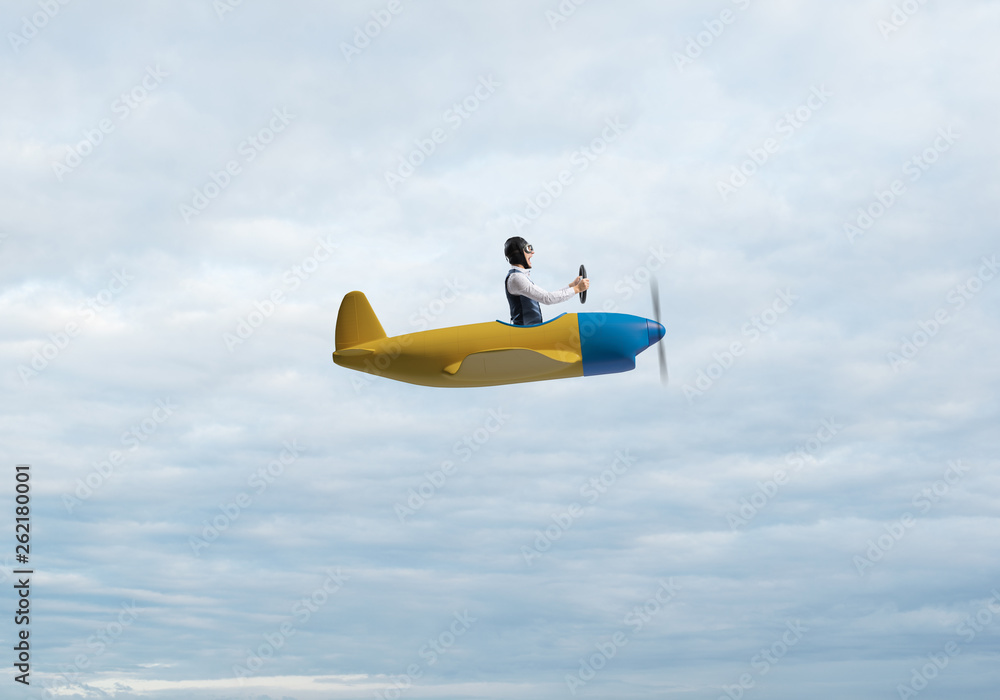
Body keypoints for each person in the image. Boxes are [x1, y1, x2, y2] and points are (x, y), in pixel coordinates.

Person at [504, 236, 589, 326]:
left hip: (531, 331)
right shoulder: (516, 278)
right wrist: (577, 289)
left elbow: (548, 295)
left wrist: (571, 286)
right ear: (519, 253)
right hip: (525, 333)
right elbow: (548, 298)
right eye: (528, 249)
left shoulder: (519, 276)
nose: (532, 252)